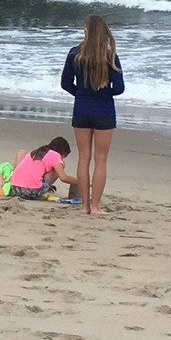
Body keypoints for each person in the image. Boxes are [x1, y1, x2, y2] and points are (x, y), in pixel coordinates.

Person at [60, 14, 124, 214]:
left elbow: (65, 83)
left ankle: (85, 206)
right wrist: (104, 94)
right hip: (104, 109)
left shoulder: (74, 54)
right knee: (101, 159)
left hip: (81, 108)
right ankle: (96, 206)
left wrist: (81, 93)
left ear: (86, 31)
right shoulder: (109, 56)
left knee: (83, 158)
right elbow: (120, 88)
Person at [8, 136, 80, 200]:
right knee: (60, 166)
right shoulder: (55, 155)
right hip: (31, 191)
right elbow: (63, 178)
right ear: (62, 152)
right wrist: (80, 182)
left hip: (15, 188)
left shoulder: (37, 152)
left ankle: (39, 185)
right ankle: (41, 189)